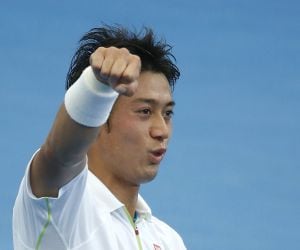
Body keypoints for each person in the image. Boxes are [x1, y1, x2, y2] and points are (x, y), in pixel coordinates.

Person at [13, 24, 186, 250]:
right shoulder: (61, 208)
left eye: (167, 113)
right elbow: (59, 156)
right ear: (98, 116)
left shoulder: (168, 240)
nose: (162, 130)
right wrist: (97, 86)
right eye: (145, 111)